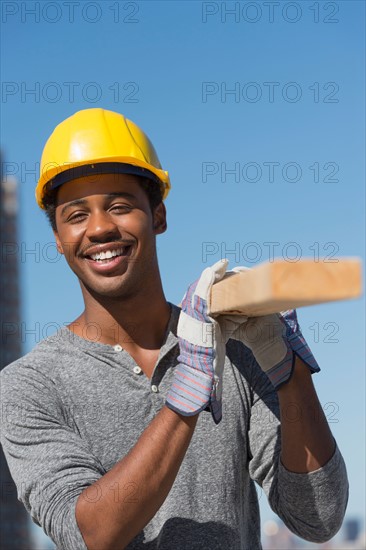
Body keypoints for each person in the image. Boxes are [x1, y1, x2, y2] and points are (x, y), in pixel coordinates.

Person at [0, 108, 348, 550]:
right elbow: (91, 534)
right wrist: (190, 387)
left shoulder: (235, 348)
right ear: (59, 239)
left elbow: (319, 519)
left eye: (120, 206)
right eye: (76, 215)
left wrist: (289, 371)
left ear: (158, 216)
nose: (101, 227)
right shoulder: (29, 386)